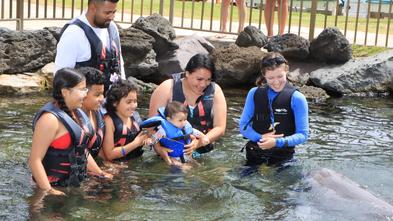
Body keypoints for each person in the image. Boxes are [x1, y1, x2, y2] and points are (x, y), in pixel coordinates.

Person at [29, 68, 111, 195]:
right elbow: (35, 160)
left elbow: (81, 150)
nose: (85, 94)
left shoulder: (75, 113)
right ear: (65, 92)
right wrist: (48, 190)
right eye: (82, 89)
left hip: (72, 186)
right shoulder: (49, 119)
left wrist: (99, 173)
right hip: (50, 188)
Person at [149, 53, 227, 165]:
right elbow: (151, 126)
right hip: (170, 152)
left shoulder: (216, 91)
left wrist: (198, 143)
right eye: (199, 79)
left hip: (203, 152)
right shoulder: (166, 88)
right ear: (187, 73)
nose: (203, 84)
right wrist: (159, 150)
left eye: (208, 80)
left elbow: (220, 127)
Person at [239, 52, 309, 166]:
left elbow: (303, 134)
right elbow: (243, 126)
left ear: (286, 71)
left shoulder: (297, 98)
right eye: (270, 78)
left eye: (280, 76)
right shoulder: (254, 93)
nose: (276, 82)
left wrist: (277, 142)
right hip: (255, 152)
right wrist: (260, 137)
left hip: (283, 155)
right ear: (264, 75)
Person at [55, 0, 125, 93]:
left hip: (110, 102)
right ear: (93, 8)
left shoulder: (112, 28)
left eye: (114, 12)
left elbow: (120, 64)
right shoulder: (73, 33)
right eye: (107, 13)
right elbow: (61, 78)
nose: (112, 17)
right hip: (83, 104)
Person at [141, 101, 209, 165]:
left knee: (197, 165)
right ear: (169, 119)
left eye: (185, 119)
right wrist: (149, 140)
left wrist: (202, 137)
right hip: (172, 157)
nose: (184, 123)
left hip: (186, 155)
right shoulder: (163, 130)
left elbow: (198, 134)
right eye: (180, 120)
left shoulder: (186, 127)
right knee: (183, 168)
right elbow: (154, 139)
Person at [102, 80, 148, 162]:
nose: (133, 106)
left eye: (135, 101)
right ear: (115, 103)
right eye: (128, 102)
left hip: (135, 162)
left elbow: (142, 137)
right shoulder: (109, 121)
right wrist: (136, 143)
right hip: (118, 166)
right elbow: (109, 155)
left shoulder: (135, 117)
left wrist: (147, 140)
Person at [77, 67, 106, 160]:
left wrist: (105, 162)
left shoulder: (97, 112)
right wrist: (100, 172)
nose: (102, 99)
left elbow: (97, 143)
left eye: (103, 94)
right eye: (97, 95)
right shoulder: (73, 117)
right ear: (82, 92)